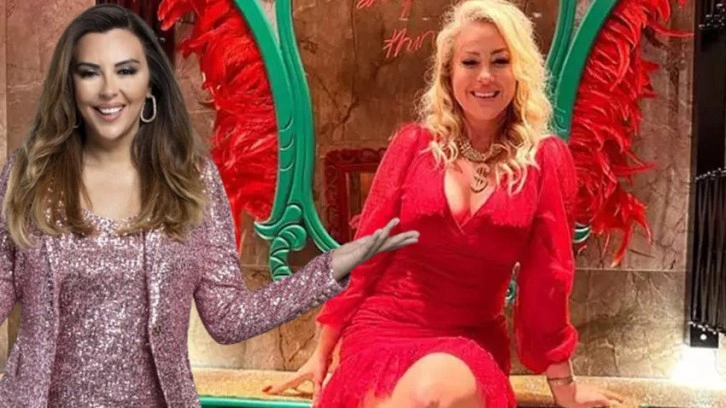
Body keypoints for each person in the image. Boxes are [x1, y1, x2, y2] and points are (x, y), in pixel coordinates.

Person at [0, 4, 419, 407]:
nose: (109, 89)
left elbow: (229, 317)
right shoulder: (27, 176)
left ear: (151, 82)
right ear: (69, 85)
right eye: (90, 72)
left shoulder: (192, 180)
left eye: (126, 70)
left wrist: (330, 268)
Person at [268, 1, 624, 407]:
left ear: (520, 70)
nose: (485, 76)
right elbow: (366, 254)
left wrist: (564, 387)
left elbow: (549, 281)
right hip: (382, 329)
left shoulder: (543, 161)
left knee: (431, 392)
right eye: (470, 62)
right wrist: (321, 352)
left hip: (468, 341)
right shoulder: (414, 146)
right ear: (448, 74)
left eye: (500, 60)